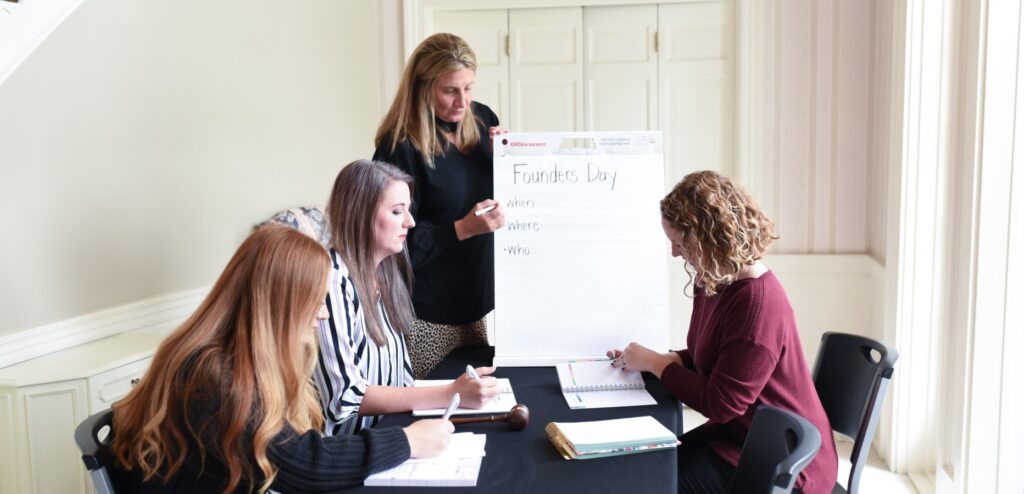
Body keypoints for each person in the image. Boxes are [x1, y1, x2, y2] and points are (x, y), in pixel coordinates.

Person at [106, 225, 454, 494]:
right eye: (316, 300)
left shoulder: (224, 356)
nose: (323, 314)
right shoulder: (214, 377)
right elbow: (304, 465)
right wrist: (407, 442)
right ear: (282, 303)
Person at [606, 171, 838, 494]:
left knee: (650, 482)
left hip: (780, 463)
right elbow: (716, 357)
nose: (675, 253)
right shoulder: (714, 280)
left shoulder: (756, 306)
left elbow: (721, 404)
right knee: (644, 466)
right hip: (741, 437)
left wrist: (657, 364)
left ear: (710, 239)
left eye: (680, 243)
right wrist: (663, 359)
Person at [314, 160, 500, 438]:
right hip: (350, 448)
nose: (410, 222)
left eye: (408, 210)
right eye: (397, 211)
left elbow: (401, 378)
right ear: (360, 214)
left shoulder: (387, 273)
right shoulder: (332, 280)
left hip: (391, 434)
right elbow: (345, 399)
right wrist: (450, 393)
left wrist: (457, 393)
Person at [373, 32, 509, 379]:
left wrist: (508, 161)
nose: (462, 102)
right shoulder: (398, 147)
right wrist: (462, 229)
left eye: (469, 88)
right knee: (429, 404)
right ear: (423, 88)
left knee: (476, 402)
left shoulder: (483, 120)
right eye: (450, 90)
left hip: (476, 303)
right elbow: (389, 242)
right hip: (425, 312)